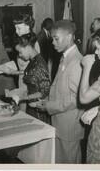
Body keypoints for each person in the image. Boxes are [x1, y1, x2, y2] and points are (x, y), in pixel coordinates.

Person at [33, 20, 85, 163]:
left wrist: (50, 106)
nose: (53, 43)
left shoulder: (76, 62)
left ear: (69, 37)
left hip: (69, 126)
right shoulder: (65, 57)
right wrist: (47, 101)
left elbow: (76, 99)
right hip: (61, 123)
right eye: (52, 39)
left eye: (56, 38)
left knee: (70, 165)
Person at [79, 25, 100, 164]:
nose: (96, 53)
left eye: (99, 48)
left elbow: (84, 98)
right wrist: (99, 108)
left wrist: (86, 67)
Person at [13, 34, 51, 123]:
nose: (20, 55)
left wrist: (24, 97)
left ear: (28, 47)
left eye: (20, 52)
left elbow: (44, 91)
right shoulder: (33, 61)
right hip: (32, 108)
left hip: (38, 111)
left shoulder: (39, 64)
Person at [13, 14, 40, 89]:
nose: (16, 31)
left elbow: (36, 69)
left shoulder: (34, 44)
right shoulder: (21, 42)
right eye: (15, 28)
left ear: (28, 27)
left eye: (19, 28)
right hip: (22, 80)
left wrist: (14, 72)